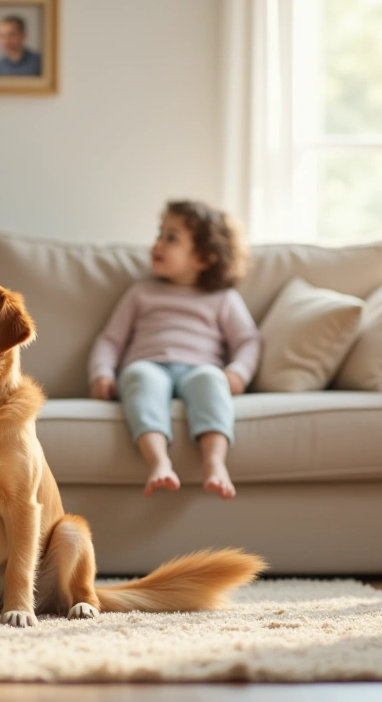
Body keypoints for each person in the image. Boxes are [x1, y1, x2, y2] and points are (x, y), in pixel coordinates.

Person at [88, 200, 260, 500]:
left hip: (199, 368)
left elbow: (248, 340)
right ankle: (159, 462)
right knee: (141, 378)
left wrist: (237, 373)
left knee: (211, 380)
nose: (158, 243)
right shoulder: (141, 292)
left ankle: (215, 462)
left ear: (204, 258)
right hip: (148, 364)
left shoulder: (223, 298)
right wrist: (101, 373)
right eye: (159, 233)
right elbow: (110, 340)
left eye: (172, 238)